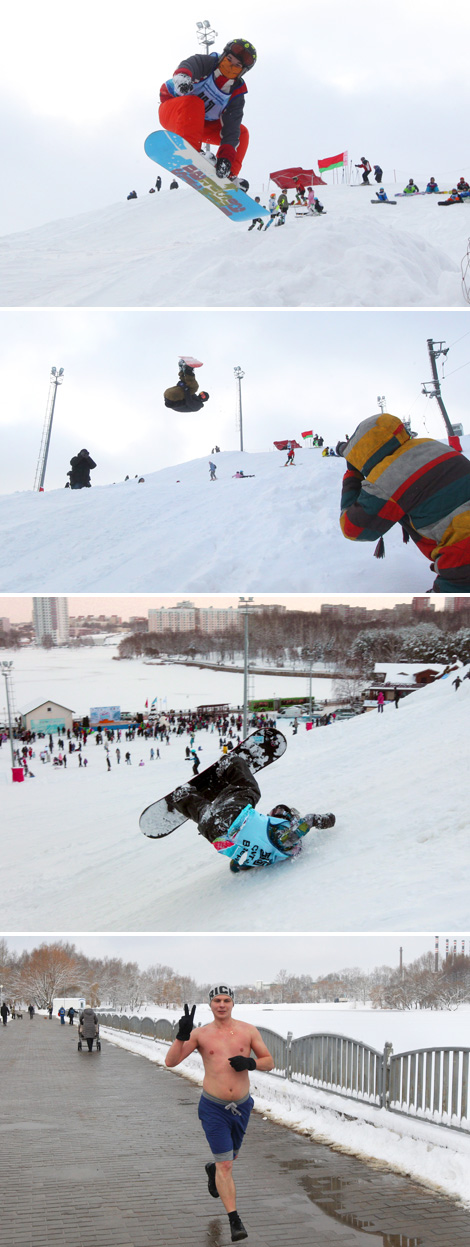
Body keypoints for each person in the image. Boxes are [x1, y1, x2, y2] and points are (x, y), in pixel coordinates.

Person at [165, 986, 274, 1242]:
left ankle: (213, 1169)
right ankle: (234, 1219)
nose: (222, 1004)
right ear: (210, 1005)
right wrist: (181, 1036)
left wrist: (251, 1063)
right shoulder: (200, 1034)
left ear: (233, 1003)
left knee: (229, 1160)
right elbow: (171, 1062)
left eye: (226, 1000)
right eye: (217, 1000)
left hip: (242, 1107)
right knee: (226, 1165)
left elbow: (269, 1061)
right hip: (213, 1107)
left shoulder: (248, 1030)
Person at [336, 413, 470, 592]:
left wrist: (352, 475)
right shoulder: (432, 445)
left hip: (462, 561)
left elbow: (354, 528)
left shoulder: (386, 478)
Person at [167, 751, 335, 872]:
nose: (272, 813)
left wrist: (322, 819)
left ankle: (230, 764)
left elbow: (304, 825)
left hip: (233, 816)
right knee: (206, 814)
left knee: (250, 789)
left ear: (287, 818)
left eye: (278, 811)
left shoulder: (286, 838)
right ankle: (183, 797)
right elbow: (236, 866)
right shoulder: (266, 856)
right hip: (214, 834)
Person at [159, 39, 257, 187]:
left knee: (241, 133)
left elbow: (231, 129)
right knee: (195, 102)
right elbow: (191, 65)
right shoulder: (208, 63)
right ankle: (192, 152)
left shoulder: (236, 94)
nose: (230, 66)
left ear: (242, 71)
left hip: (200, 125)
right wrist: (183, 78)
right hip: (174, 112)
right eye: (229, 60)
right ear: (223, 56)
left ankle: (227, 174)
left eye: (237, 66)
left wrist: (226, 158)